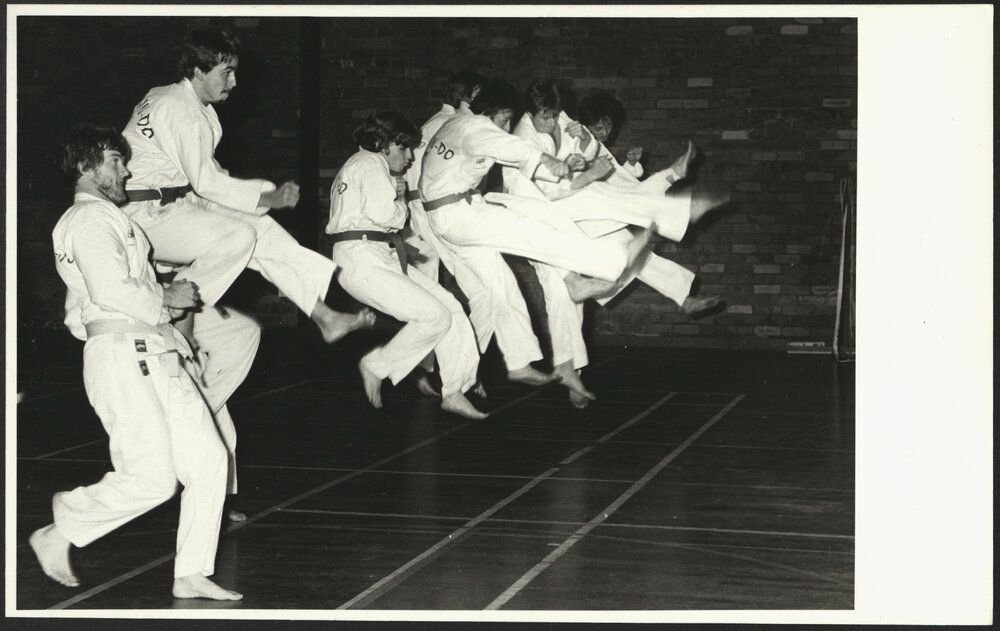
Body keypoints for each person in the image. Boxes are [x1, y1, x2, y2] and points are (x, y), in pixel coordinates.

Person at [121, 28, 375, 521]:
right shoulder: (178, 109)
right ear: (196, 70)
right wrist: (269, 194)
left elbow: (202, 182)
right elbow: (207, 181)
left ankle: (322, 313)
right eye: (225, 71)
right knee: (239, 236)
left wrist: (262, 202)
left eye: (234, 69)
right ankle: (184, 314)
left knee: (255, 234)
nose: (234, 81)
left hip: (174, 209)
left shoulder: (183, 104)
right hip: (146, 221)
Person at [30, 125, 240, 600]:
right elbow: (111, 291)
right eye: (114, 161)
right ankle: (61, 526)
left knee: (209, 461)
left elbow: (88, 300)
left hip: (154, 351)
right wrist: (168, 295)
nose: (126, 170)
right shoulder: (88, 221)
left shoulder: (110, 220)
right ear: (86, 166)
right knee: (151, 479)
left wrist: (166, 309)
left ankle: (190, 571)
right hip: (123, 357)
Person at [419, 78, 655, 403]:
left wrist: (564, 162)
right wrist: (555, 163)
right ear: (493, 112)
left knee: (500, 288)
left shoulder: (464, 127)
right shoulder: (477, 127)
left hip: (456, 216)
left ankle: (513, 366)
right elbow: (519, 151)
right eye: (504, 119)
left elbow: (530, 149)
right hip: (465, 212)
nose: (506, 126)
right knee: (532, 234)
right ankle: (583, 278)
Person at [326, 112, 486, 419]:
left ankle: (455, 390)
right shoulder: (370, 164)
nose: (410, 157)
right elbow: (387, 215)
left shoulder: (362, 165)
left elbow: (376, 220)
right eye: (404, 148)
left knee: (450, 307)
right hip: (362, 259)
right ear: (382, 144)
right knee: (434, 316)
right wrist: (400, 199)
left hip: (373, 254)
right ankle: (376, 365)